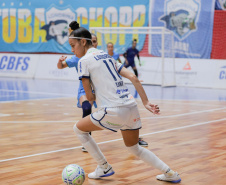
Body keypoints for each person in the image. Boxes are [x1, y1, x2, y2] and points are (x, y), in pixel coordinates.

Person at [69, 21, 181, 183]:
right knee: (134, 147)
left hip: (113, 110)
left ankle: (104, 166)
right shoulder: (107, 56)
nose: (72, 50)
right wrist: (146, 102)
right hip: (131, 107)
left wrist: (86, 97)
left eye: (73, 45)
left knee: (78, 129)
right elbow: (133, 77)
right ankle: (170, 173)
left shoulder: (83, 62)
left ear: (83, 42)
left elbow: (91, 98)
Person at [57, 33, 98, 152]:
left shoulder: (99, 55)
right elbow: (61, 66)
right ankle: (87, 141)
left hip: (100, 89)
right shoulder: (77, 57)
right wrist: (60, 61)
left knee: (118, 112)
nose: (94, 43)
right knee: (86, 108)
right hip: (84, 89)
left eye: (95, 41)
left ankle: (135, 139)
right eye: (92, 41)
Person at [107, 42, 148, 147]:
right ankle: (86, 137)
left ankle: (135, 138)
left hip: (116, 85)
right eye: (109, 46)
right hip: (106, 87)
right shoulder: (103, 57)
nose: (110, 48)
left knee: (125, 109)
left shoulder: (116, 56)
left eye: (112, 46)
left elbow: (120, 65)